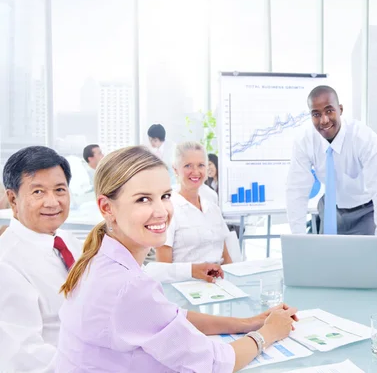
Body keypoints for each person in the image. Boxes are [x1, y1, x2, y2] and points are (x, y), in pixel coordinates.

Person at [55, 146, 297, 371]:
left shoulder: (101, 260)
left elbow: (171, 317)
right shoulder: (128, 286)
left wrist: (248, 322)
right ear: (107, 208)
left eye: (165, 196)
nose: (161, 211)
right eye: (143, 199)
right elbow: (216, 364)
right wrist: (269, 333)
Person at [0, 146, 225, 372]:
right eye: (38, 192)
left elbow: (125, 277)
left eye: (59, 189)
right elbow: (23, 360)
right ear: (13, 199)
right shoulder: (6, 264)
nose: (52, 202)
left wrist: (190, 270)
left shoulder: (68, 241)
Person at [286, 85, 377, 237]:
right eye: (316, 114)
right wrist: (297, 237)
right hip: (330, 209)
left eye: (329, 111)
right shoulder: (305, 141)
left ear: (341, 110)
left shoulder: (363, 138)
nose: (323, 120)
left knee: (367, 259)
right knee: (327, 259)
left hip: (365, 211)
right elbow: (296, 191)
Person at [156, 142, 232, 265]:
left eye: (201, 165)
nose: (195, 172)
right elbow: (163, 268)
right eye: (188, 166)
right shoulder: (168, 209)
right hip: (185, 283)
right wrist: (193, 272)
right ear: (176, 169)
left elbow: (226, 258)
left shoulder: (213, 208)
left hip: (219, 282)